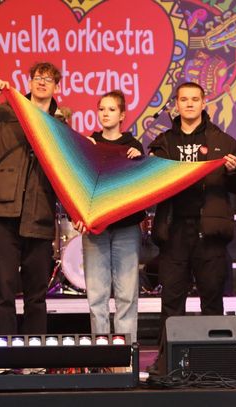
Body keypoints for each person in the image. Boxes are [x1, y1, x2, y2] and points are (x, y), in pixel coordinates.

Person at [0, 62, 63, 335]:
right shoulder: (7, 112)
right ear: (29, 82)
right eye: (37, 77)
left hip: (39, 214)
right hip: (3, 210)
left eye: (48, 79)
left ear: (56, 86)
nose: (42, 82)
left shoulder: (60, 124)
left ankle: (34, 351)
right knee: (2, 289)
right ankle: (4, 350)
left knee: (36, 294)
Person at [148, 81, 236, 372]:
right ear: (176, 105)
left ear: (204, 104)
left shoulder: (224, 142)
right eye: (184, 99)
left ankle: (214, 364)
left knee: (212, 300)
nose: (189, 104)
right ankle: (167, 364)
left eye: (195, 99)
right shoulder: (163, 143)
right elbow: (150, 189)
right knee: (171, 301)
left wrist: (235, 171)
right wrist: (150, 169)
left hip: (209, 234)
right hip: (174, 231)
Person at [74, 90, 145, 343]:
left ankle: (127, 352)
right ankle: (101, 352)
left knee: (127, 294)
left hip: (127, 227)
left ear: (122, 115)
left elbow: (141, 186)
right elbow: (77, 183)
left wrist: (139, 160)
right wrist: (77, 215)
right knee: (97, 295)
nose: (105, 114)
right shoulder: (87, 143)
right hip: (96, 227)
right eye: (102, 109)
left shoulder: (133, 147)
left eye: (112, 109)